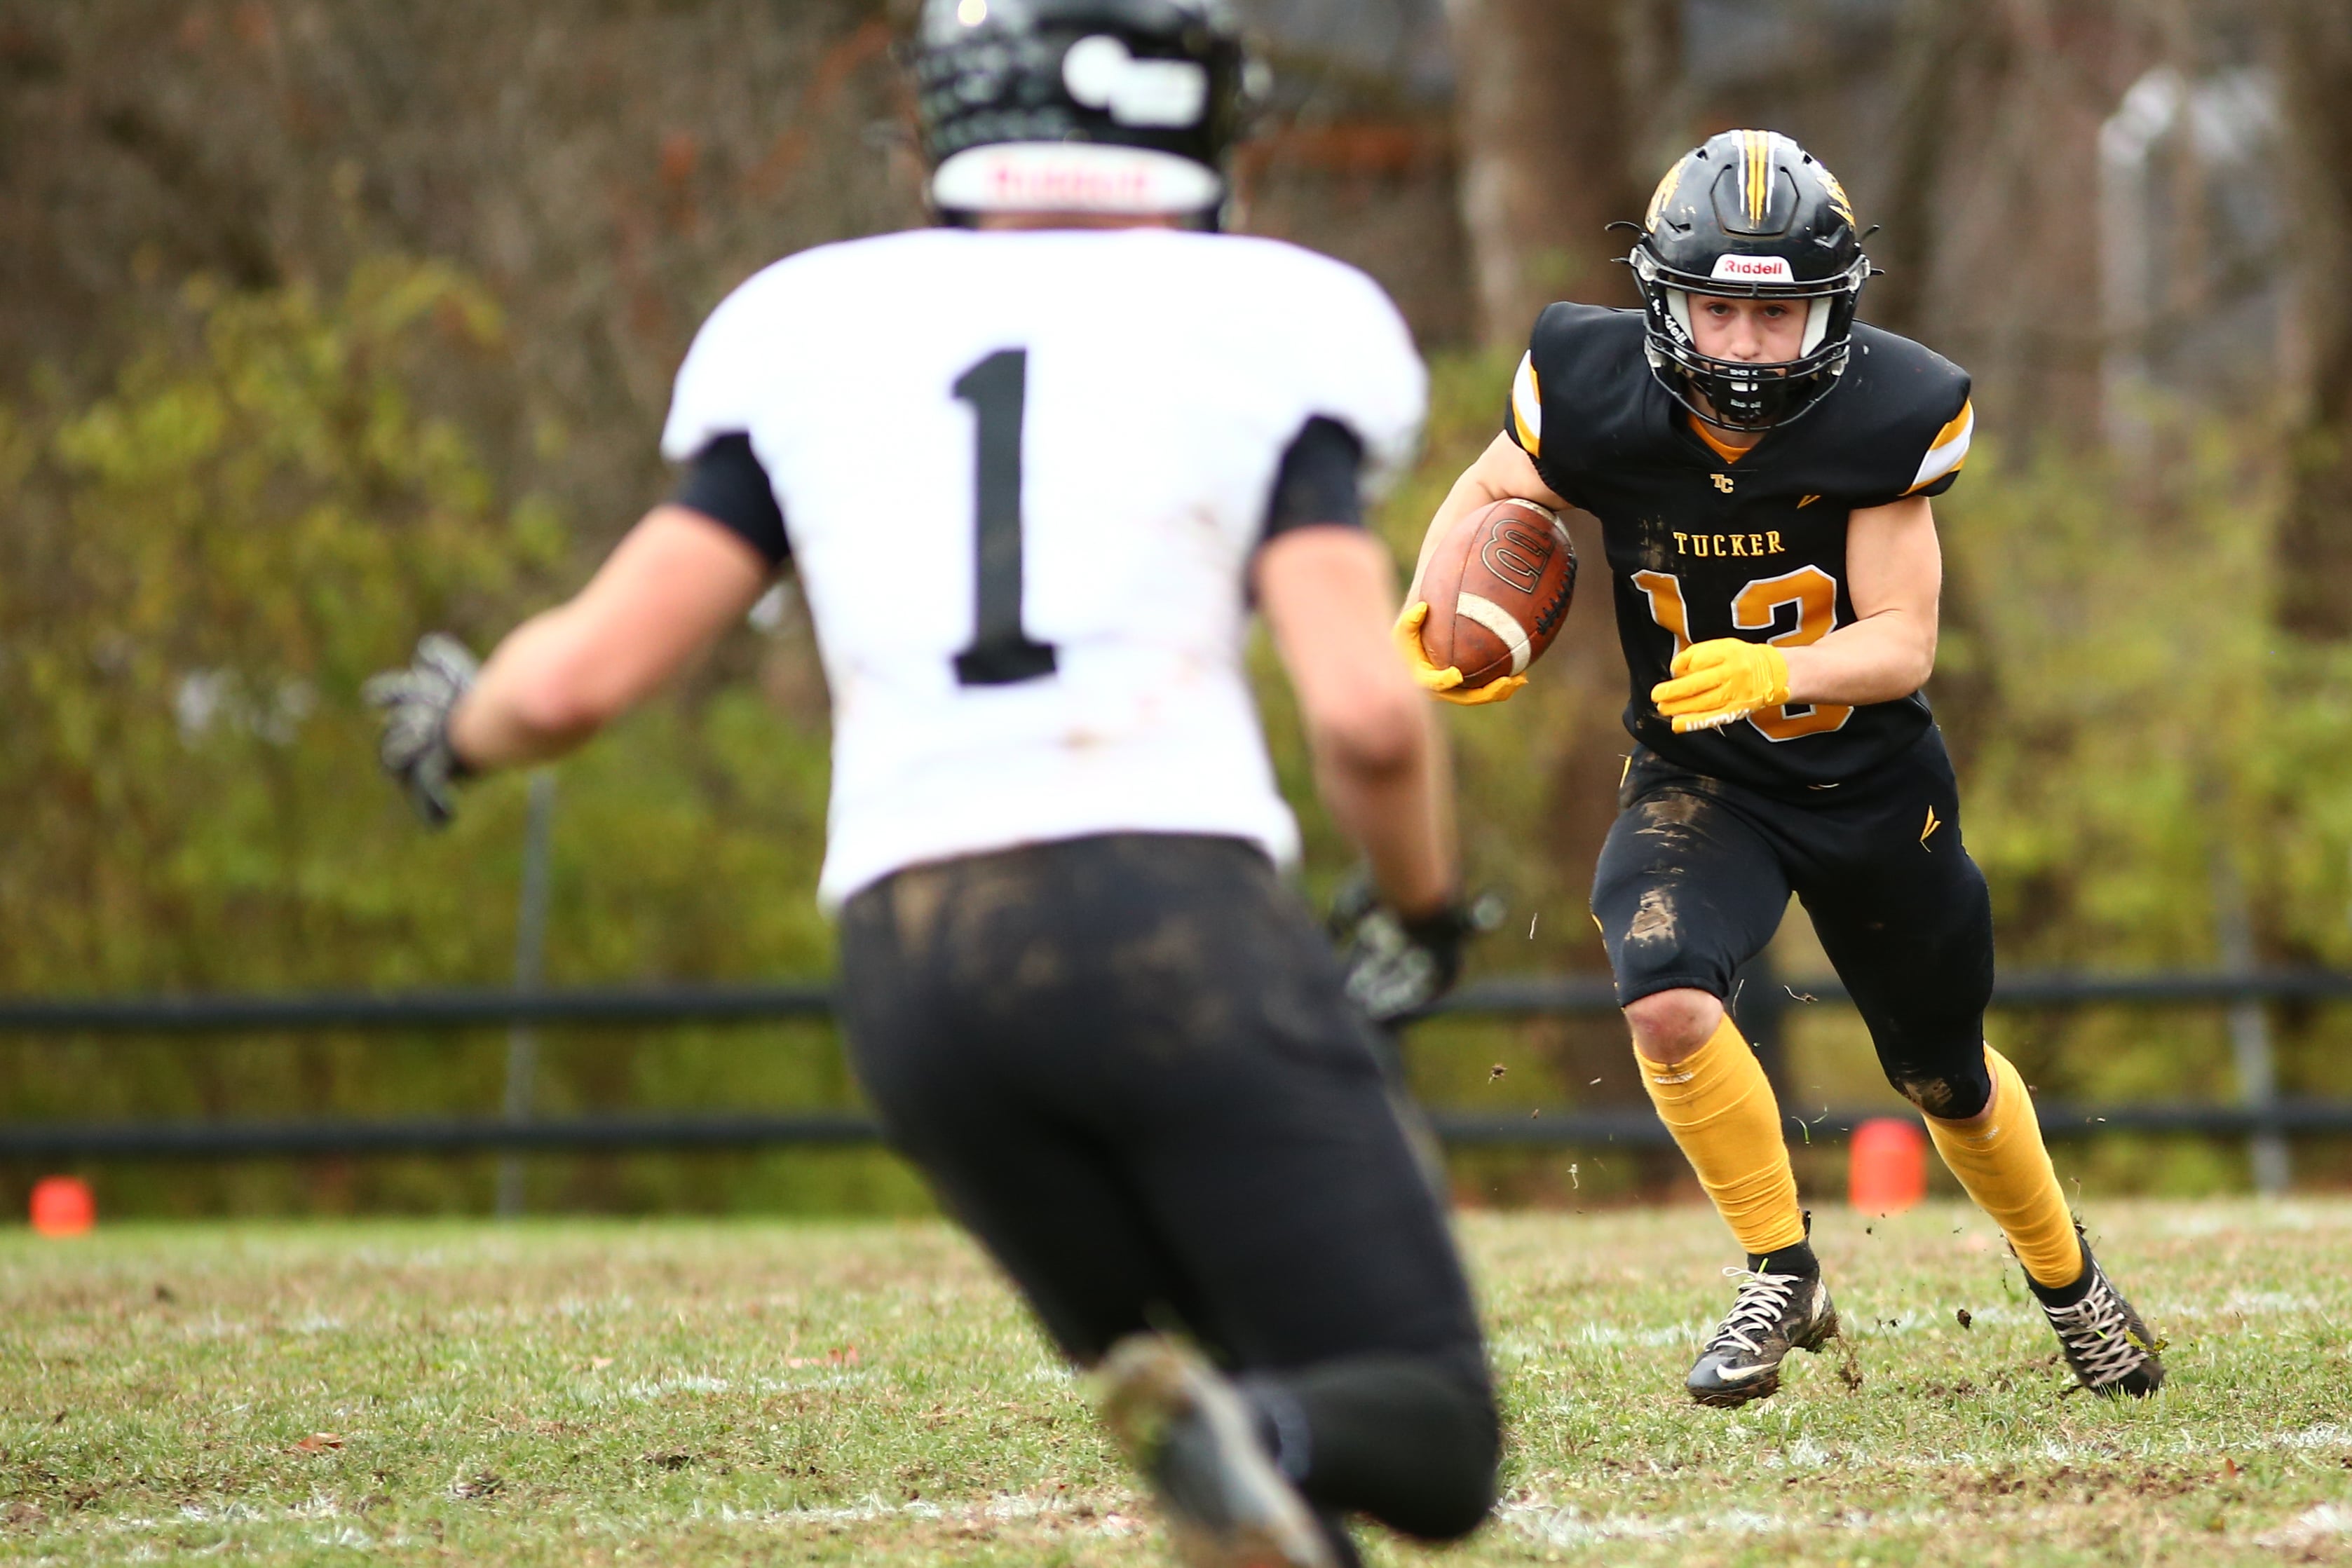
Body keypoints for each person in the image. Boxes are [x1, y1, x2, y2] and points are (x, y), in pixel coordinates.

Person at [365, 3, 1498, 1562]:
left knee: (1257, 1461)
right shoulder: (1266, 317)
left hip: (913, 973)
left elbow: (576, 680)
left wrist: (456, 726)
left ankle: (1250, 1443)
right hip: (1168, 922)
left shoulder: (810, 324)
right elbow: (1368, 715)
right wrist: (1424, 908)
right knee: (1423, 1430)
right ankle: (1263, 1436)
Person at [1399, 129, 2163, 1405]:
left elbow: (1904, 643)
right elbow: (1486, 493)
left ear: (1833, 312)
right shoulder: (1590, 385)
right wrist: (1435, 618)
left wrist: (1776, 672)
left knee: (1945, 1078)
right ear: (1664, 298)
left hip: (1869, 789)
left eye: (1780, 312)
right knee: (1664, 994)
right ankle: (1780, 1265)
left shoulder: (1886, 413)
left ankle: (2070, 1279)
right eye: (1721, 308)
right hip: (1703, 779)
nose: (1750, 344)